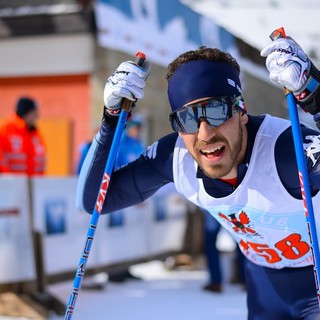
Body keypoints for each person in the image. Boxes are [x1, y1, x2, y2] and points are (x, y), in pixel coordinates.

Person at [76, 35, 320, 320]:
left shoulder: (287, 152)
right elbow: (94, 200)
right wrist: (112, 118)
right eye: (188, 118)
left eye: (216, 111)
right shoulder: (175, 157)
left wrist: (314, 94)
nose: (205, 134)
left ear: (240, 111)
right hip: (265, 287)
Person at [0, 97, 46, 175]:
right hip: (10, 184)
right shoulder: (6, 130)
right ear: (26, 113)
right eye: (34, 113)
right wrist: (9, 179)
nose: (37, 117)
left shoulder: (34, 133)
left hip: (33, 184)